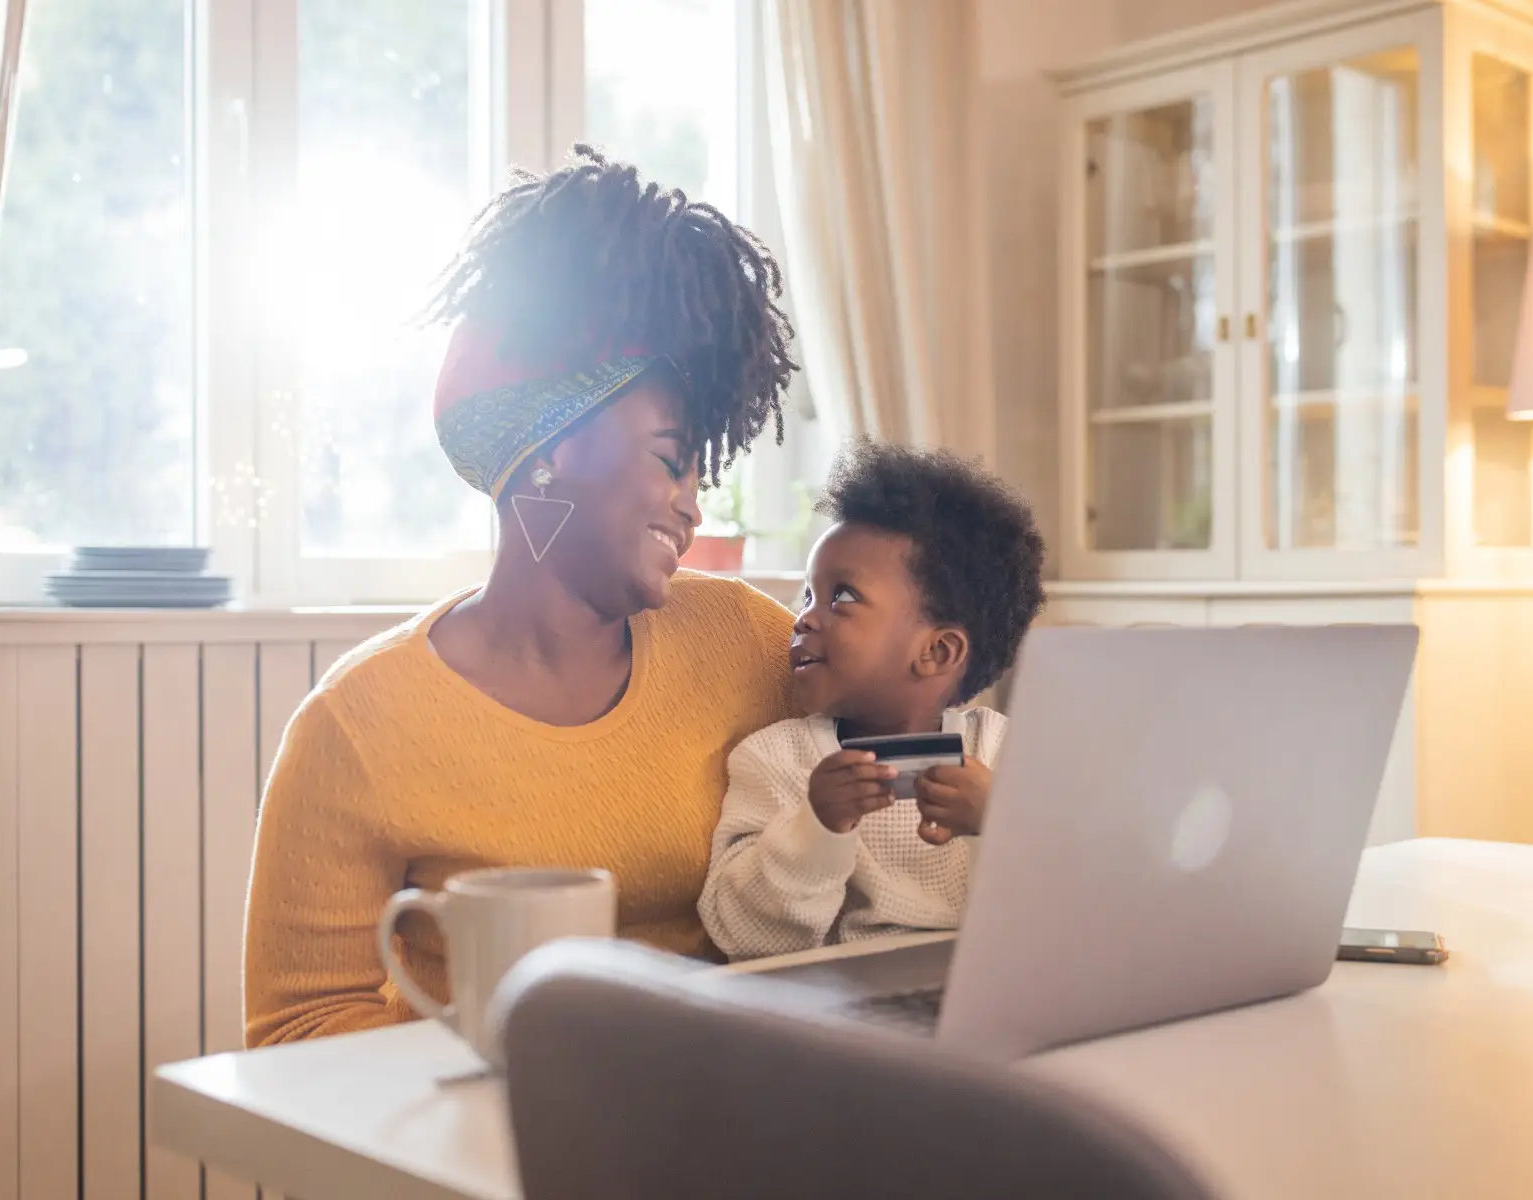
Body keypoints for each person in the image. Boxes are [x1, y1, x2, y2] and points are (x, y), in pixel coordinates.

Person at [242, 146, 800, 1046]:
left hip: (725, 1109)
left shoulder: (746, 641)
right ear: (552, 447)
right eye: (670, 459)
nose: (693, 506)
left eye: (701, 472)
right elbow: (296, 1027)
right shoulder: (358, 724)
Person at [698, 441, 1047, 960]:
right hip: (838, 1008)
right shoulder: (775, 760)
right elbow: (745, 938)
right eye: (809, 596)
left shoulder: (1004, 751)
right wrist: (817, 827)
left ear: (937, 651)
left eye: (841, 597)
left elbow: (1063, 915)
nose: (805, 617)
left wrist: (1001, 821)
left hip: (982, 990)